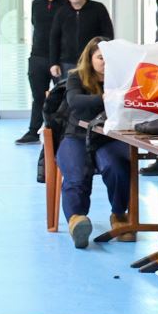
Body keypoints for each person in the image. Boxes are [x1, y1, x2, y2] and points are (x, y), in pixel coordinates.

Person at [57, 37, 132, 249]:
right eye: (100, 57)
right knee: (76, 174)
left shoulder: (123, 79)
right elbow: (75, 102)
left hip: (109, 138)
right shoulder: (76, 77)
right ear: (90, 59)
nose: (105, 62)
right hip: (76, 136)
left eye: (109, 57)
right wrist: (107, 98)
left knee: (117, 168)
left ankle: (119, 215)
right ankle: (77, 220)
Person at [18, 0, 64, 145]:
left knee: (63, 97)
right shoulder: (37, 4)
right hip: (37, 57)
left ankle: (61, 131)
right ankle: (33, 131)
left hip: (60, 59)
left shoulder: (66, 4)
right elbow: (35, 25)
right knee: (38, 97)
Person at [49, 0, 113, 81]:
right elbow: (54, 39)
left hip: (91, 62)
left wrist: (104, 58)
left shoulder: (98, 9)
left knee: (91, 89)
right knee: (67, 90)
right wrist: (53, 63)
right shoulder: (61, 12)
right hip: (67, 64)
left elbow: (108, 35)